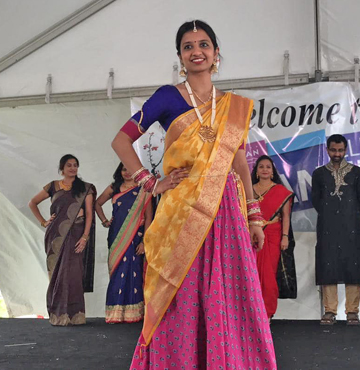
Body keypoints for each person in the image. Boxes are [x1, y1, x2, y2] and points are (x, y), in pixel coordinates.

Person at [111, 20, 276, 369]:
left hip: (227, 210)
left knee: (228, 292)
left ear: (216, 54)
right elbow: (121, 141)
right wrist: (150, 182)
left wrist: (254, 214)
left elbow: (240, 161)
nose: (196, 51)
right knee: (180, 292)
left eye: (203, 44)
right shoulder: (167, 97)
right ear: (180, 57)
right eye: (188, 46)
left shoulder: (232, 105)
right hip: (181, 211)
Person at [28, 154, 96, 326]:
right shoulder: (52, 186)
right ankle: (58, 315)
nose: (72, 168)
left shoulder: (86, 188)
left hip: (77, 234)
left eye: (75, 165)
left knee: (73, 274)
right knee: (57, 274)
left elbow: (89, 214)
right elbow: (32, 203)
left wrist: (85, 237)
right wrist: (44, 221)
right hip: (55, 236)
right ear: (62, 169)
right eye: (69, 165)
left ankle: (75, 316)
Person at [312, 134, 360, 326]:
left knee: (353, 265)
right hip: (327, 225)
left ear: (346, 150)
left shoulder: (357, 173)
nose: (337, 154)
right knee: (328, 265)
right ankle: (330, 311)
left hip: (351, 226)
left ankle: (352, 311)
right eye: (333, 150)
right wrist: (331, 216)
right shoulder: (319, 174)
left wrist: (350, 217)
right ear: (327, 150)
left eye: (340, 150)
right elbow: (316, 200)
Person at [95, 163, 153, 324]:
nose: (127, 173)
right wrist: (105, 221)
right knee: (116, 272)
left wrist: (144, 241)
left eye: (129, 169)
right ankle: (115, 313)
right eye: (124, 169)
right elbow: (97, 203)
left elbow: (149, 217)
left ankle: (133, 313)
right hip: (116, 236)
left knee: (134, 271)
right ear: (119, 171)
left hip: (136, 237)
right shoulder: (114, 187)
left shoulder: (144, 189)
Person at [251, 155, 297, 320]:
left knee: (269, 275)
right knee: (252, 275)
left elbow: (286, 216)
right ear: (256, 171)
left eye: (268, 167)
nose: (264, 169)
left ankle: (267, 314)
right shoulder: (248, 190)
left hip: (273, 234)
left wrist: (285, 237)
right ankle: (252, 313)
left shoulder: (281, 192)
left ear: (272, 172)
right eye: (261, 166)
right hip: (251, 236)